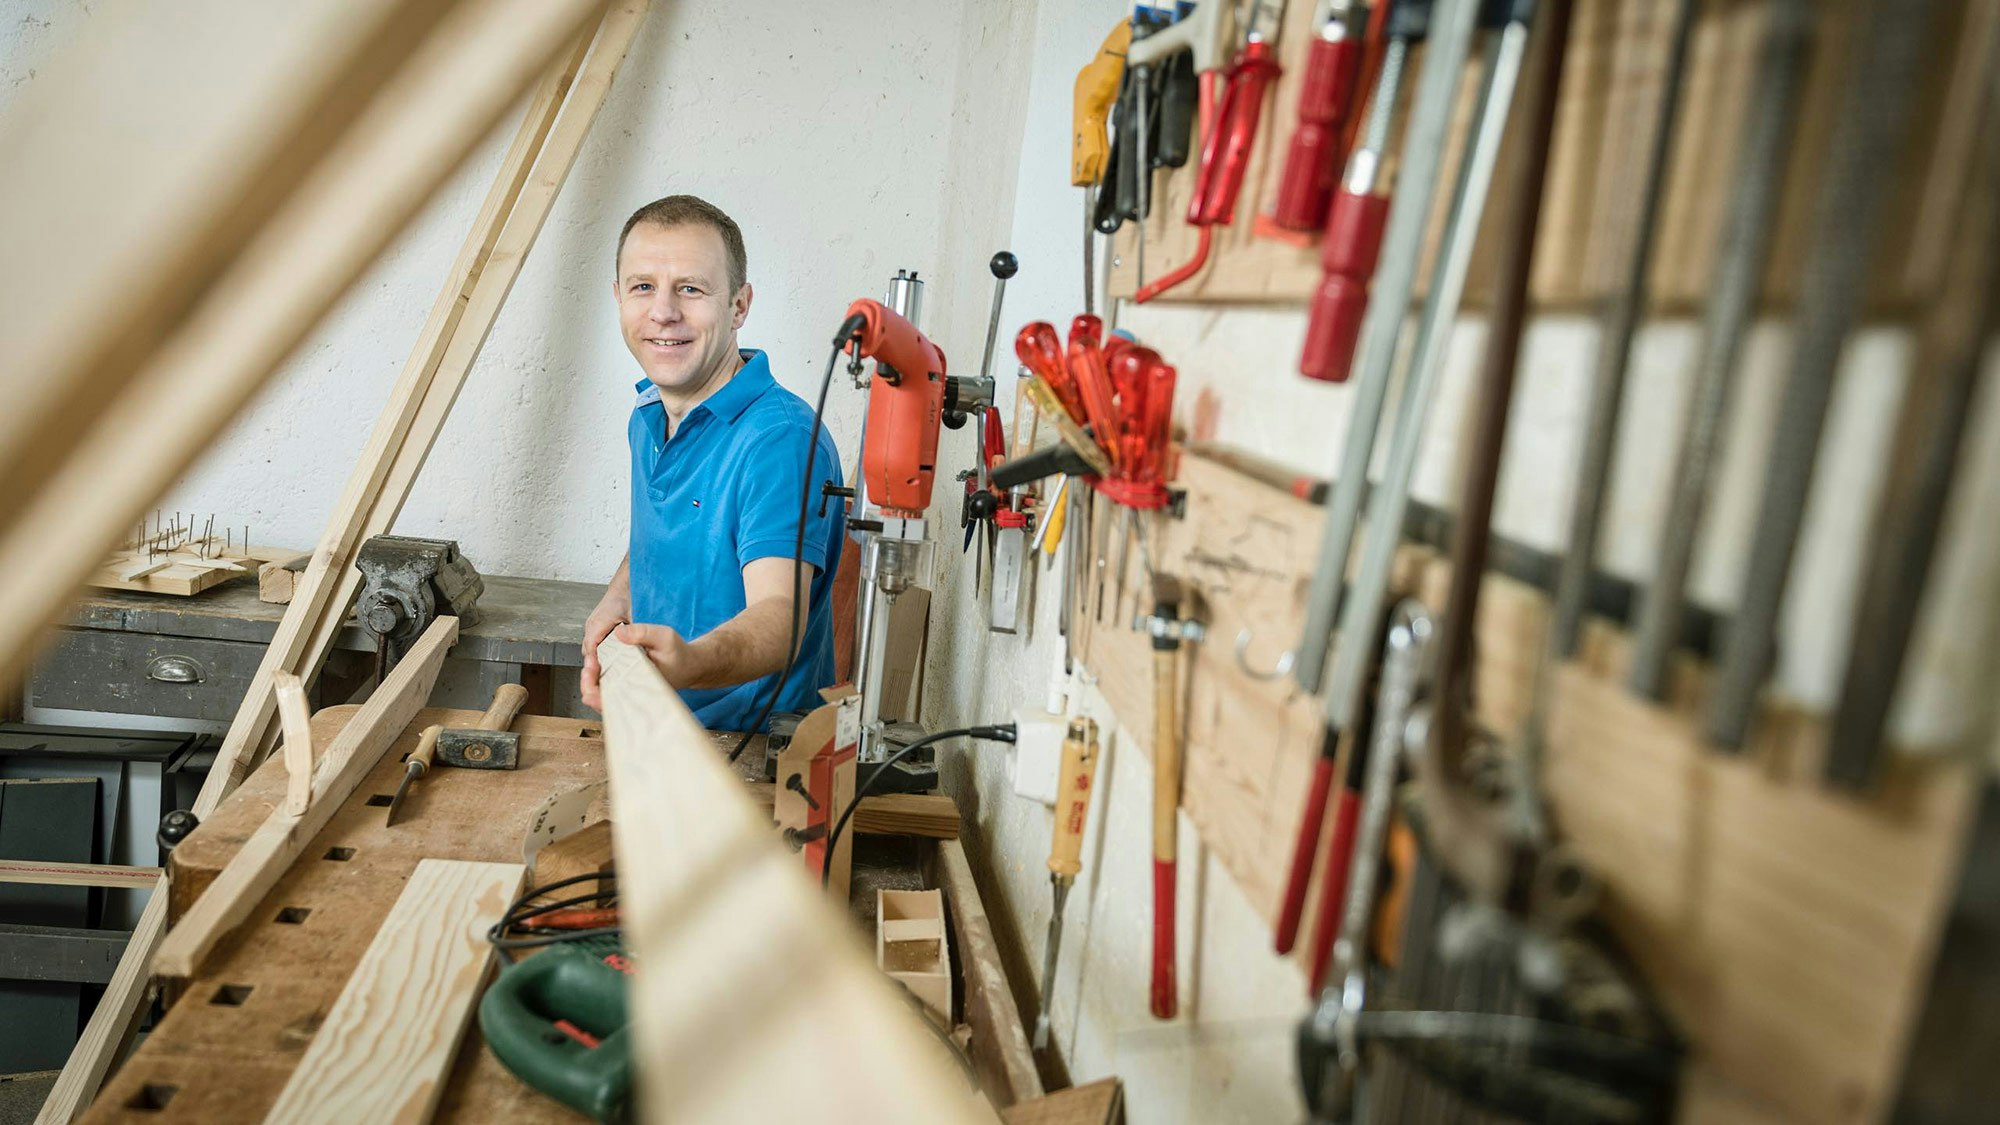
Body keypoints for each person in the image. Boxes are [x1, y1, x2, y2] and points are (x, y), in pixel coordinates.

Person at [578, 195, 843, 731]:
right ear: (618, 297)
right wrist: (617, 599)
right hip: (659, 725)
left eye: (691, 289)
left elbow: (779, 618)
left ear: (739, 306)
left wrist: (692, 663)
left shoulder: (780, 441)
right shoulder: (650, 412)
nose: (663, 312)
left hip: (746, 750)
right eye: (643, 286)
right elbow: (675, 529)